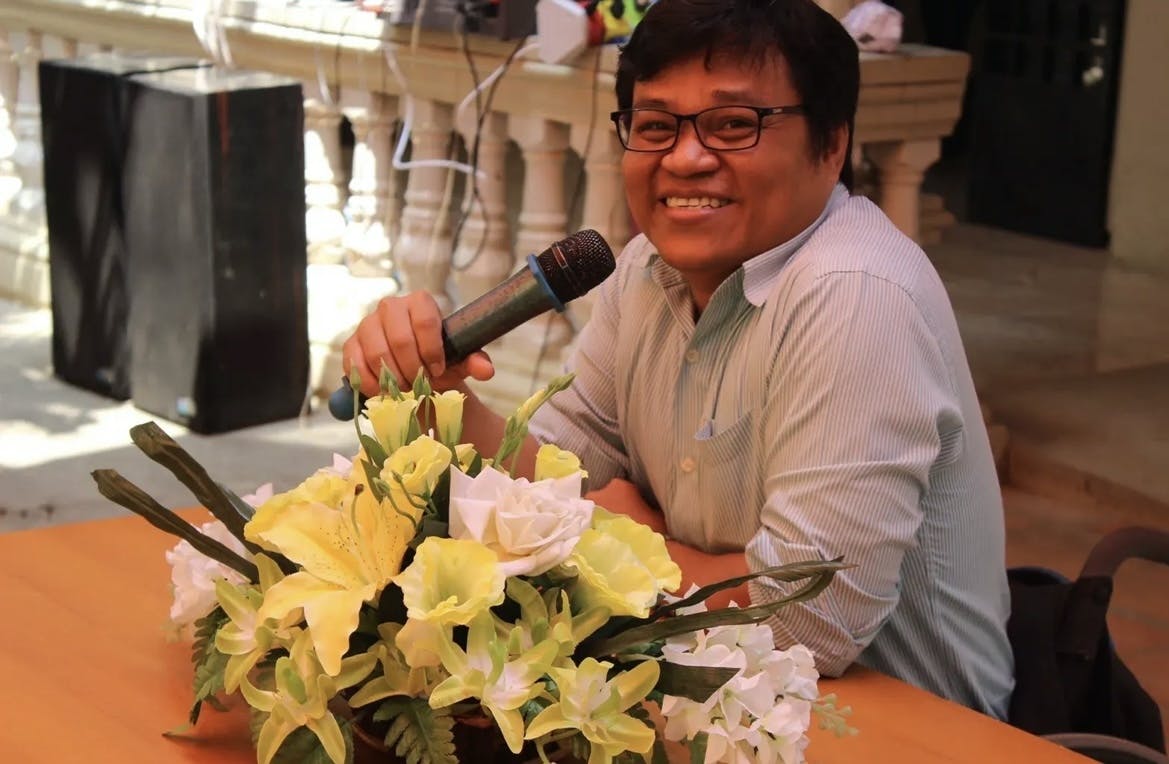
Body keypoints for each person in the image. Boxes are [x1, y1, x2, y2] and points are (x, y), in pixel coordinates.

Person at [343, 0, 1014, 719]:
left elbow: (805, 620)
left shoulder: (853, 292)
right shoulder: (645, 270)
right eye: (656, 126)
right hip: (713, 701)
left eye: (733, 124)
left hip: (904, 727)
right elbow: (559, 475)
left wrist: (626, 539)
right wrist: (435, 402)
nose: (686, 159)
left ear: (830, 143)